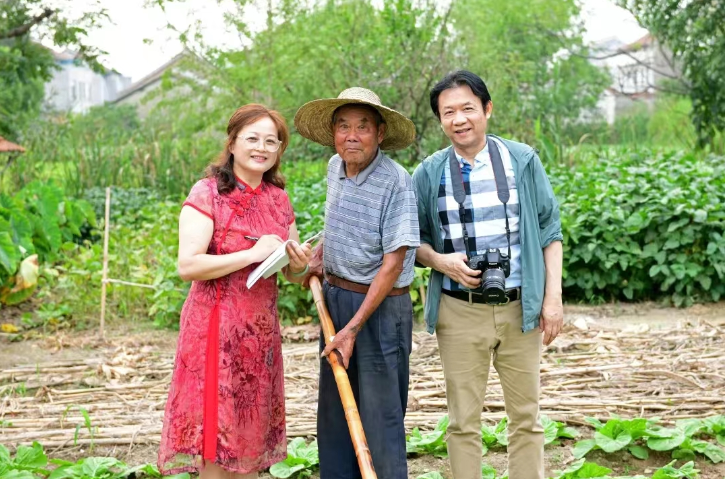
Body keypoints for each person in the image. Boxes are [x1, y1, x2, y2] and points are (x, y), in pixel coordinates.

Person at [412, 70, 564, 479]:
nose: (459, 119)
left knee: (527, 419)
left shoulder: (522, 160)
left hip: (520, 306)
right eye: (448, 112)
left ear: (487, 109)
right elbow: (413, 242)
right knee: (462, 422)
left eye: (467, 108)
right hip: (458, 310)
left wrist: (552, 299)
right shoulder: (428, 172)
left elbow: (550, 231)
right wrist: (443, 263)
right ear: (440, 120)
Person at [158, 104, 313, 479]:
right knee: (217, 437)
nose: (262, 148)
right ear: (232, 143)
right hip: (215, 332)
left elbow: (293, 274)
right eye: (253, 139)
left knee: (250, 435)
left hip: (259, 335)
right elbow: (188, 265)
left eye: (271, 142)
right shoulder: (208, 192)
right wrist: (250, 254)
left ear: (279, 150)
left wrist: (299, 261)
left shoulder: (278, 198)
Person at [294, 87, 419, 479]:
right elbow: (338, 224)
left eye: (362, 127)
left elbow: (393, 263)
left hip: (380, 311)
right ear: (333, 133)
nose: (352, 135)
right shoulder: (335, 167)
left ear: (380, 134)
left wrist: (353, 328)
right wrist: (320, 258)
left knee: (380, 420)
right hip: (336, 301)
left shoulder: (396, 181)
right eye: (343, 126)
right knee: (335, 414)